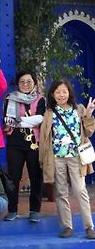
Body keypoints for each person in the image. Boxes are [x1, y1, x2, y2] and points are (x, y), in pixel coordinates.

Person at [39, 79, 95, 239]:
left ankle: (89, 226)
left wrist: (89, 114)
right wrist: (43, 160)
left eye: (64, 91)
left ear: (69, 92)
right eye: (57, 92)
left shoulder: (79, 109)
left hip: (76, 157)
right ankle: (67, 226)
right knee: (61, 192)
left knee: (80, 190)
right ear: (53, 95)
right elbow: (44, 138)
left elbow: (89, 131)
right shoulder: (49, 113)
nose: (61, 95)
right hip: (57, 158)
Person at [3, 70, 45, 222]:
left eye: (29, 81)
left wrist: (19, 121)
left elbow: (40, 119)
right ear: (18, 84)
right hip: (15, 142)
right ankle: (12, 210)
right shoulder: (11, 98)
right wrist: (27, 121)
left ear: (34, 83)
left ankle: (35, 210)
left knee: (36, 177)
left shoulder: (40, 99)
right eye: (22, 82)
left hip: (35, 142)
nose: (25, 84)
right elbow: (8, 120)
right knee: (13, 177)